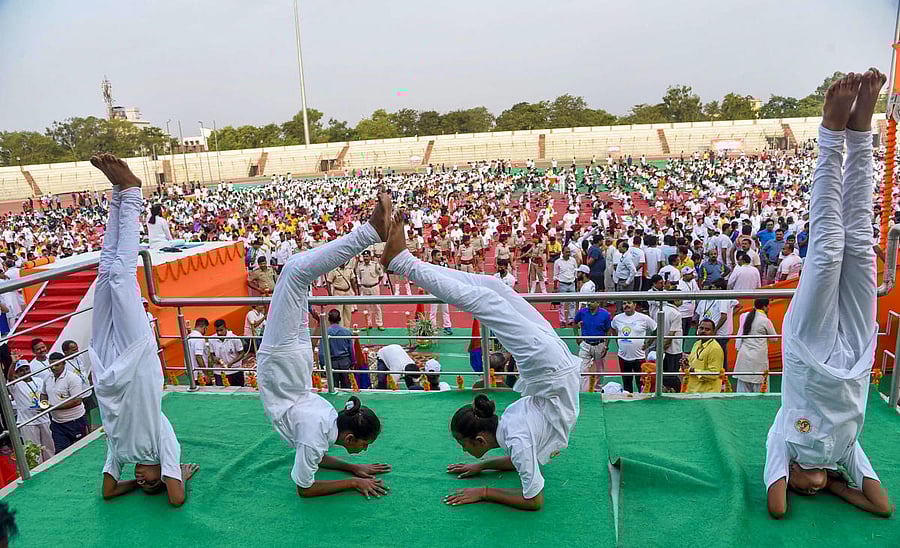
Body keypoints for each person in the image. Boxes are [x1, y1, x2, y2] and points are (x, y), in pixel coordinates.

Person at [381, 214, 580, 511]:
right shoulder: (514, 434)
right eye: (463, 445)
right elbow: (527, 481)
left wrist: (482, 480)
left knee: (492, 289)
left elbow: (527, 479)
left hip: (552, 368)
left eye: (463, 445)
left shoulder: (513, 430)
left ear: (480, 439)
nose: (463, 450)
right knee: (486, 301)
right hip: (550, 368)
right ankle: (402, 261)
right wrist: (483, 477)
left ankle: (403, 260)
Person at [765, 71, 892, 519]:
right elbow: (882, 507)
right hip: (858, 356)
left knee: (827, 246)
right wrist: (838, 485)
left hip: (810, 351)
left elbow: (777, 508)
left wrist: (797, 478)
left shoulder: (784, 439)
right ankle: (860, 133)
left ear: (792, 473)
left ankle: (830, 131)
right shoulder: (846, 452)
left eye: (806, 489)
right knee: (858, 241)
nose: (811, 490)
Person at [257, 190, 392, 499]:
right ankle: (370, 232)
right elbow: (310, 470)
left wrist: (352, 473)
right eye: (363, 445)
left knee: (295, 271)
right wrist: (354, 475)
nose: (363, 450)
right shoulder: (322, 430)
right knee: (294, 272)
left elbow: (310, 470)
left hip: (287, 368)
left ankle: (370, 232)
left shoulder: (326, 424)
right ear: (347, 435)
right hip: (287, 368)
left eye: (364, 446)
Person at [87, 154, 197, 506]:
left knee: (104, 277)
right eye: (151, 483)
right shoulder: (163, 441)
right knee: (121, 280)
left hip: (105, 369)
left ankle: (118, 193)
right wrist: (173, 475)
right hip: (136, 365)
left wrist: (135, 485)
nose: (141, 480)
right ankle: (133, 193)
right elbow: (176, 499)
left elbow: (108, 491)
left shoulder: (121, 452)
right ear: (166, 473)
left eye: (143, 485)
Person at [40, 351, 88, 453]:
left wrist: (52, 407)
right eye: (51, 365)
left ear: (64, 363)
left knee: (83, 450)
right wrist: (43, 404)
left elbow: (77, 401)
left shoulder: (73, 379)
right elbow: (43, 393)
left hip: (75, 421)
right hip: (57, 423)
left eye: (57, 365)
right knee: (61, 452)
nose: (53, 368)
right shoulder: (48, 377)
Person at [9, 360, 55, 463]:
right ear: (17, 373)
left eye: (26, 369)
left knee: (49, 447)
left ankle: (52, 466)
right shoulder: (15, 385)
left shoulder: (38, 380)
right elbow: (10, 377)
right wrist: (13, 363)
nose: (25, 372)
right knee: (33, 451)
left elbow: (45, 394)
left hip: (44, 418)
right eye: (21, 371)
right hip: (28, 422)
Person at [609, 301, 656, 393]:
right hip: (623, 356)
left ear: (634, 305)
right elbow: (613, 328)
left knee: (641, 383)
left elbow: (656, 329)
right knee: (626, 383)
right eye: (624, 303)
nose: (626, 305)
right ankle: (628, 403)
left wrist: (648, 343)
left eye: (629, 303)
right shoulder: (617, 318)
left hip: (639, 357)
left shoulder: (644, 318)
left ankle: (642, 402)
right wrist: (617, 340)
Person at [734, 298, 777, 393]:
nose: (769, 308)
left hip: (744, 356)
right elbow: (774, 339)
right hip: (758, 358)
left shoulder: (745, 317)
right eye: (768, 306)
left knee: (743, 394)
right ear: (764, 307)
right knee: (760, 391)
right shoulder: (765, 320)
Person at [573, 300, 610, 391]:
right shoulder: (582, 312)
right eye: (588, 301)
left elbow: (608, 330)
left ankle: (598, 390)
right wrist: (577, 337)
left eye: (592, 301)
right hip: (585, 344)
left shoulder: (605, 314)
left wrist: (606, 346)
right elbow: (574, 323)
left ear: (598, 303)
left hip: (600, 344)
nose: (589, 303)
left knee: (599, 370)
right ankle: (584, 391)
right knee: (583, 369)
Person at [62, 340, 97, 431]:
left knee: (88, 412)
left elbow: (84, 370)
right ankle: (84, 431)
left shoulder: (79, 356)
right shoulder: (64, 364)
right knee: (80, 414)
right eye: (73, 350)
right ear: (65, 352)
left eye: (76, 348)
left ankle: (89, 429)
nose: (76, 351)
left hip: (86, 390)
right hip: (77, 394)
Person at [682, 318, 724, 393]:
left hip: (707, 393)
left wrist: (693, 370)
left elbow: (714, 374)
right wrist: (685, 363)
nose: (703, 331)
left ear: (713, 332)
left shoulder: (715, 349)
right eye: (701, 328)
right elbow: (691, 362)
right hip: (692, 390)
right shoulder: (697, 343)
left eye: (707, 329)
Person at [319, 309, 354, 389]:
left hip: (331, 363)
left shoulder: (325, 332)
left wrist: (323, 364)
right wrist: (352, 362)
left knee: (333, 388)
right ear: (340, 319)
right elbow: (351, 350)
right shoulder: (346, 332)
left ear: (329, 319)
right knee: (346, 389)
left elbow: (322, 352)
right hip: (345, 362)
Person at [209, 319, 247, 386]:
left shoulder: (235, 338)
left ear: (226, 328)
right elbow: (212, 354)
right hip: (219, 372)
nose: (219, 333)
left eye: (221, 330)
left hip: (235, 370)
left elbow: (241, 353)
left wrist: (232, 363)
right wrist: (214, 359)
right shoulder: (211, 339)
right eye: (217, 331)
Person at [553, 246, 578, 326]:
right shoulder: (557, 262)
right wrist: (555, 287)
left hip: (572, 283)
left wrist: (576, 283)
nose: (568, 253)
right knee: (561, 304)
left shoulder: (573, 260)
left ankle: (571, 319)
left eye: (569, 252)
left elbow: (575, 272)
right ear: (562, 252)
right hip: (562, 284)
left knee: (573, 303)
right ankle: (562, 320)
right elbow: (555, 275)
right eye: (567, 252)